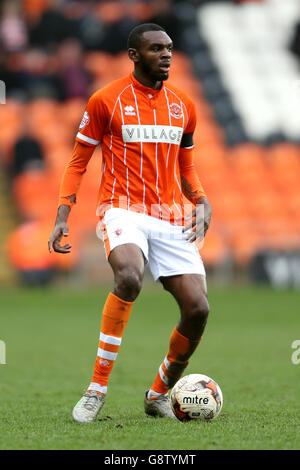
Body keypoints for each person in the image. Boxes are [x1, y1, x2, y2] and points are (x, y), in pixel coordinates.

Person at [48, 23, 212, 423]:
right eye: (156, 49)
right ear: (134, 55)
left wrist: (203, 201)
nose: (167, 55)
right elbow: (77, 162)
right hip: (122, 208)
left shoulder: (184, 106)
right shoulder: (106, 101)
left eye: (170, 48)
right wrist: (63, 214)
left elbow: (186, 167)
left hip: (171, 214)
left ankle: (158, 393)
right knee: (128, 277)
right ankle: (97, 389)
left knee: (198, 309)